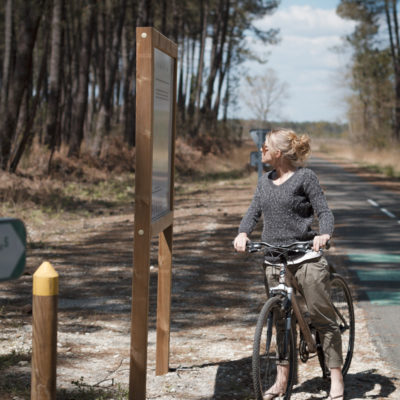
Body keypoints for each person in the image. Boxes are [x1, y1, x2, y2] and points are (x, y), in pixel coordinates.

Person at [233, 128, 344, 400]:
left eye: (265, 149)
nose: (261, 152)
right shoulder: (263, 182)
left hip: (305, 257)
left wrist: (324, 234)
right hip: (273, 259)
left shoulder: (305, 177)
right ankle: (283, 381)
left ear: (278, 153)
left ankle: (337, 380)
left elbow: (324, 211)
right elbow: (253, 212)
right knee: (281, 320)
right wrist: (243, 233)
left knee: (322, 317)